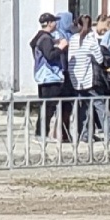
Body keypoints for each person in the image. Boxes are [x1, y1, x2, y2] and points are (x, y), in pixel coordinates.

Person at [66, 13, 110, 139]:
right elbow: (99, 59)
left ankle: (84, 134)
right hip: (89, 79)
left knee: (84, 107)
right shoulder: (91, 39)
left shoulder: (73, 39)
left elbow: (70, 60)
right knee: (100, 106)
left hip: (76, 80)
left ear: (78, 25)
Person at [30, 11, 69, 140]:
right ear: (50, 24)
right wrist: (61, 47)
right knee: (48, 108)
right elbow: (50, 55)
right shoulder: (45, 38)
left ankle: (41, 133)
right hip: (50, 77)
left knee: (46, 107)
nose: (56, 24)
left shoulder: (40, 37)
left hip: (44, 77)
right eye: (54, 22)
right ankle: (41, 133)